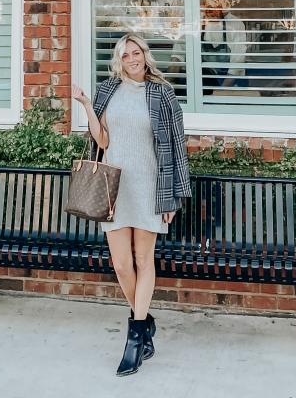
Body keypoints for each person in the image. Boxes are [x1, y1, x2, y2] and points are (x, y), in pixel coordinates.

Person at [72, 33, 192, 377]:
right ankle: (145, 319)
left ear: (145, 55)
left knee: (144, 259)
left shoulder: (162, 93)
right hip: (115, 188)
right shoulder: (108, 90)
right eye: (125, 55)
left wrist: (172, 195)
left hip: (150, 187)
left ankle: (135, 338)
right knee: (122, 265)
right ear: (119, 60)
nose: (132, 59)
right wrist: (85, 106)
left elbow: (175, 147)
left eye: (136, 53)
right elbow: (103, 140)